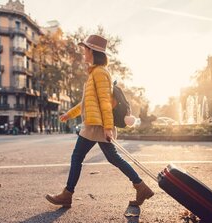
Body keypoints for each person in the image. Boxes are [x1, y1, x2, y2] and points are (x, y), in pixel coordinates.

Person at [45, 34, 154, 208]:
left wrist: (108, 127)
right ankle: (140, 186)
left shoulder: (100, 73)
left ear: (92, 51)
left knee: (78, 157)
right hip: (95, 124)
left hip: (96, 125)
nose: (83, 53)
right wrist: (70, 114)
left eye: (85, 49)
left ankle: (67, 194)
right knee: (113, 158)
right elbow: (87, 102)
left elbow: (104, 101)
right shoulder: (95, 73)